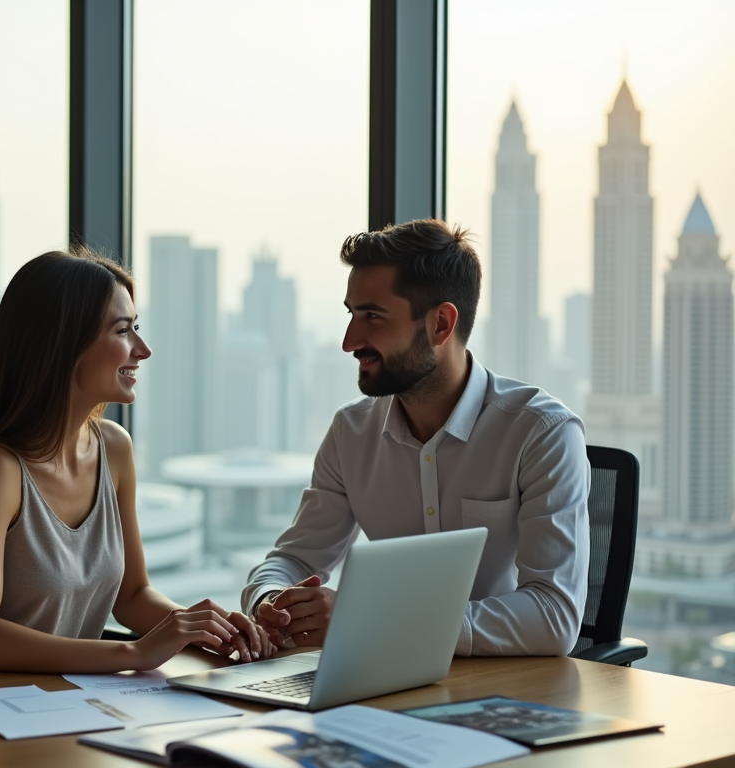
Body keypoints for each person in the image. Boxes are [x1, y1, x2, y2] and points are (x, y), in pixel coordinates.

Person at [0, 249, 273, 682]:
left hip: (42, 702)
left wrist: (204, 630)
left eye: (136, 328)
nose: (143, 349)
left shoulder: (115, 449)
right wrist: (136, 652)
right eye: (123, 331)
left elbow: (133, 595)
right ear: (63, 343)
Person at [243, 220, 590, 657]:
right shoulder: (351, 433)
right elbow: (293, 559)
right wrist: (270, 600)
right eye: (351, 314)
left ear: (441, 324)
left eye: (372, 316)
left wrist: (370, 620)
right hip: (380, 682)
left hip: (504, 691)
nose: (350, 341)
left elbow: (552, 616)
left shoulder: (541, 434)